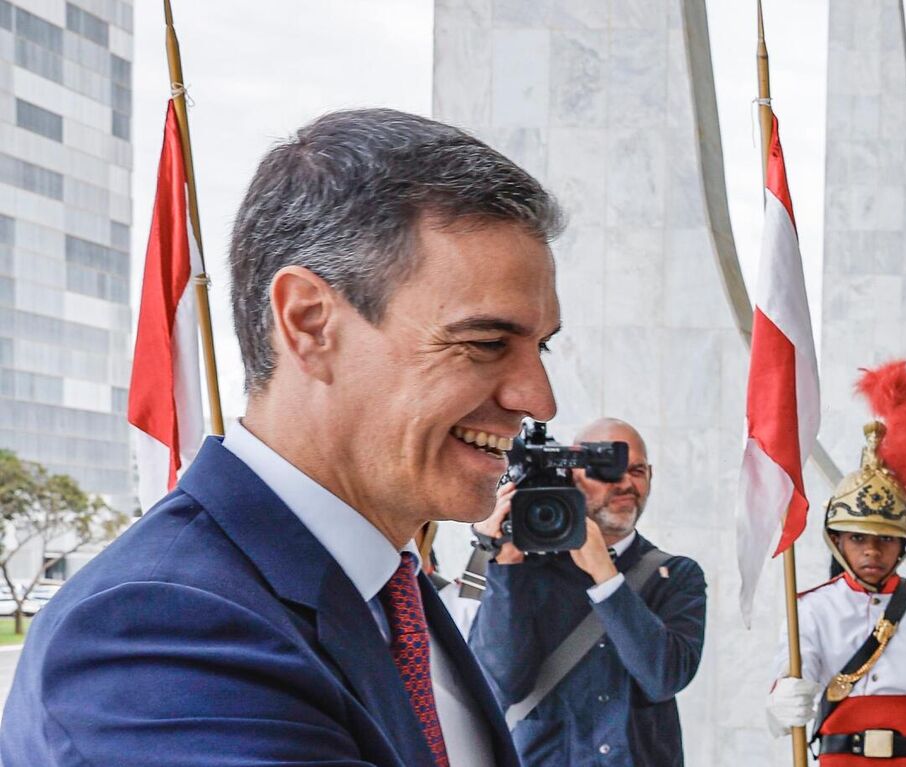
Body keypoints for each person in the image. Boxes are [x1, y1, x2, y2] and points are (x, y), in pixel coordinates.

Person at [1, 108, 563, 765]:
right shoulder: (157, 627)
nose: (536, 399)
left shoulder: (392, 594)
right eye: (486, 342)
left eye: (540, 348)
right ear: (308, 322)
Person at [762, 360, 906, 766]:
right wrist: (783, 697)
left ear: (903, 544)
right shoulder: (809, 609)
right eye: (858, 538)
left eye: (885, 540)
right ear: (838, 540)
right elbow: (794, 672)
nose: (872, 552)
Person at [469, 418, 707, 766]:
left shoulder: (676, 575)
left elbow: (664, 678)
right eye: (607, 472)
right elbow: (500, 685)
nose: (626, 483)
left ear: (651, 475)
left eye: (637, 470)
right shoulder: (524, 570)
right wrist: (503, 561)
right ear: (571, 477)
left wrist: (606, 576)